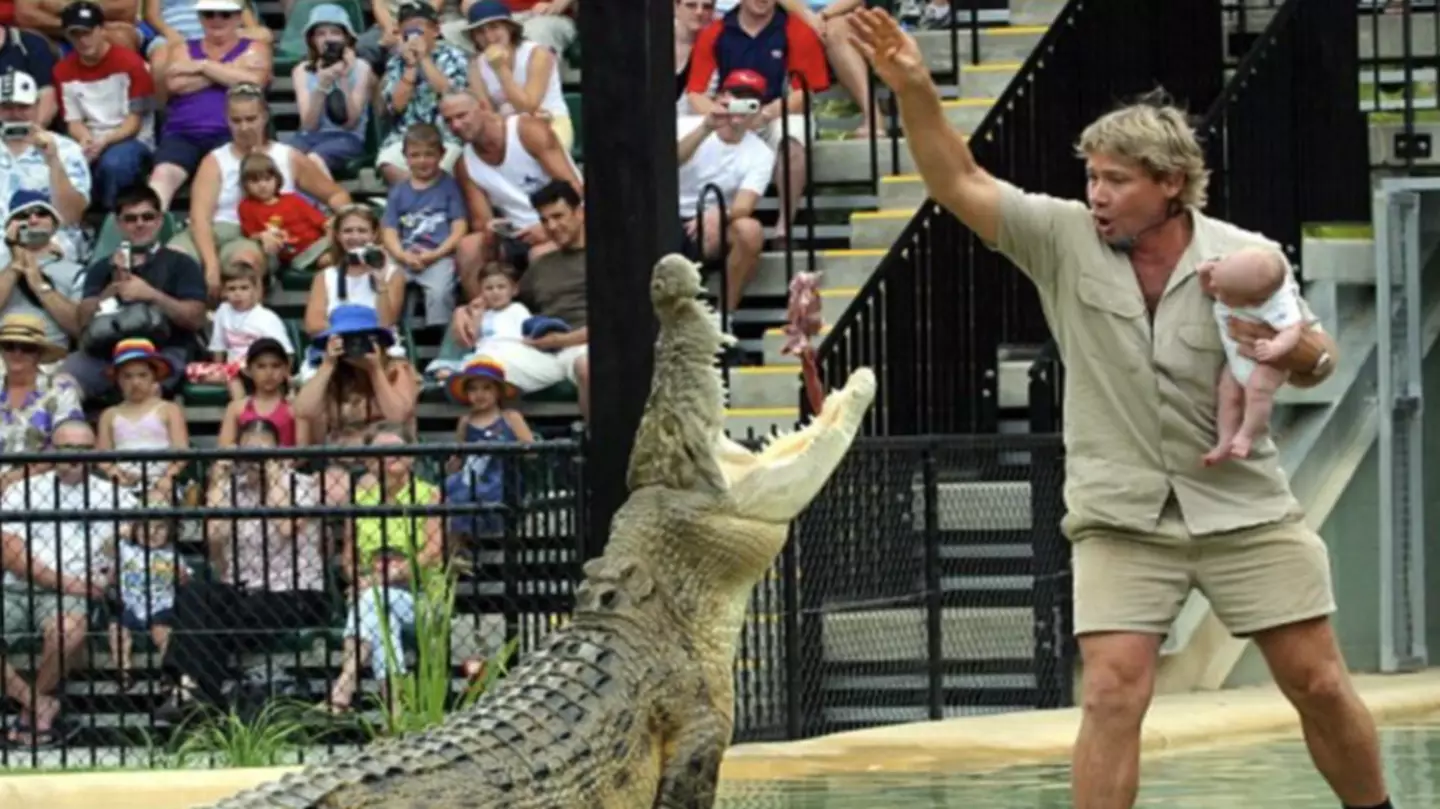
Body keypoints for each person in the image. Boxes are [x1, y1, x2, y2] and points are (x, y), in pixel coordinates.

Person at [850, 9, 1389, 809]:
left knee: (1317, 680)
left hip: (1243, 507)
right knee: (1110, 691)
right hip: (1120, 513)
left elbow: (1315, 356)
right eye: (1091, 177)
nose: (1095, 194)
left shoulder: (1239, 255)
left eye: (1114, 179)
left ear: (1170, 183)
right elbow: (956, 181)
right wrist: (916, 89)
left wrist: (1296, 354)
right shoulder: (1061, 238)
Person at [0, 419, 130, 745]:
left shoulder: (116, 497)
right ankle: (39, 704)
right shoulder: (23, 490)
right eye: (66, 448)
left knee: (68, 631)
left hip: (79, 591)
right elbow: (9, 550)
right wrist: (63, 582)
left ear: (95, 453)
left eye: (84, 450)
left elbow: (120, 553)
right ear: (51, 451)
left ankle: (31, 712)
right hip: (17, 586)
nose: (74, 456)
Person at [453, 180, 589, 416]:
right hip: (545, 350)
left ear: (579, 213)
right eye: (545, 220)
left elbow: (616, 325)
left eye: (558, 216)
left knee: (586, 367)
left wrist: (564, 339)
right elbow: (503, 295)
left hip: (585, 345)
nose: (552, 226)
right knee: (484, 370)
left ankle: (599, 446)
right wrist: (462, 311)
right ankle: (506, 444)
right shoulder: (542, 264)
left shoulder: (608, 257)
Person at [63, 186, 208, 399]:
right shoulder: (102, 267)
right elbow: (82, 321)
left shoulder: (181, 263)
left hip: (163, 351)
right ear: (119, 224)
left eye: (147, 217)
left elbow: (196, 319)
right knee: (64, 381)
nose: (140, 224)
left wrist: (150, 294)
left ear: (159, 221)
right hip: (106, 354)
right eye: (130, 219)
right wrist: (111, 290)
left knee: (143, 386)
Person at [438, 92, 582, 287]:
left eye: (462, 116)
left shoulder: (527, 130)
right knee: (468, 247)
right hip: (517, 235)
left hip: (561, 223)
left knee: (539, 254)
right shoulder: (463, 165)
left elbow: (573, 189)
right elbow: (482, 221)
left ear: (482, 106)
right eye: (448, 121)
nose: (455, 126)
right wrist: (491, 230)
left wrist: (547, 228)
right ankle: (484, 313)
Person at [146, 0, 273, 210]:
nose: (216, 19)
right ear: (200, 18)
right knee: (161, 178)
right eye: (209, 14)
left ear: (238, 17)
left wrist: (202, 66)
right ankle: (148, 234)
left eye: (225, 14)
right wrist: (232, 72)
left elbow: (255, 83)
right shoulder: (182, 47)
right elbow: (175, 84)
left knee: (232, 184)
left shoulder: (255, 47)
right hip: (182, 133)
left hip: (234, 133)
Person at [1197, 248, 1311, 466]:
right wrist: (1206, 274)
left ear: (1255, 303)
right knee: (1227, 394)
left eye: (1223, 294)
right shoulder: (1230, 277)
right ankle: (1225, 439)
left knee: (1258, 391)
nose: (1214, 291)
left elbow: (1292, 329)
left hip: (1266, 361)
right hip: (1238, 355)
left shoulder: (1277, 303)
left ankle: (1247, 434)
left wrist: (1276, 347)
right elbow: (1209, 287)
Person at [677, 69, 774, 314]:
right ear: (722, 99)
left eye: (749, 101)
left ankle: (723, 316)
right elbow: (668, 164)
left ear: (758, 109)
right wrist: (706, 127)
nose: (739, 109)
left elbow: (745, 204)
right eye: (735, 98)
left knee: (750, 230)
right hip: (667, 211)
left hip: (711, 224)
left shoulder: (761, 153)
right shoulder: (686, 125)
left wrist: (720, 213)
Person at [54, 1, 158, 210]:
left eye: (88, 32)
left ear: (102, 30)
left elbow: (134, 122)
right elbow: (73, 121)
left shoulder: (131, 64)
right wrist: (86, 139)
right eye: (75, 34)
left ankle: (112, 222)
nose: (83, 40)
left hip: (131, 139)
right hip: (92, 139)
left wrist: (103, 142)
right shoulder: (62, 71)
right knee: (63, 162)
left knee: (115, 163)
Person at [380, 124, 467, 330]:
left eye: (429, 154)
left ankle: (438, 335)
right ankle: (388, 329)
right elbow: (389, 230)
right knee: (385, 278)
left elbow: (459, 227)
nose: (422, 161)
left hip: (439, 254)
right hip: (406, 254)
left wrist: (437, 254)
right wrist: (401, 255)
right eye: (415, 155)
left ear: (442, 154)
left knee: (440, 291)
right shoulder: (399, 191)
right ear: (405, 157)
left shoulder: (450, 188)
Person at [375, 2, 469, 186]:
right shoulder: (397, 62)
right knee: (388, 163)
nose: (413, 34)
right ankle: (422, 200)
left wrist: (424, 59)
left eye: (419, 27)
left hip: (446, 134)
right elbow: (395, 106)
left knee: (450, 162)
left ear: (435, 30)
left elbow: (451, 95)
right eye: (408, 29)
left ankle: (424, 200)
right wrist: (410, 67)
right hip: (406, 135)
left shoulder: (453, 55)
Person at [463, 1, 573, 152]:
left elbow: (527, 107)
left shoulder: (538, 53)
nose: (488, 37)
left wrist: (500, 68)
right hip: (506, 128)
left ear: (509, 28)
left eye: (495, 27)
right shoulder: (476, 66)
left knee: (536, 147)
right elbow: (487, 112)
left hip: (550, 121)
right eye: (480, 32)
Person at [443, 356, 531, 540]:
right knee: (455, 492)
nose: (479, 394)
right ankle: (458, 550)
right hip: (471, 477)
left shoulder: (511, 417)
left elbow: (531, 450)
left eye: (487, 388)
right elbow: (458, 455)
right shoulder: (465, 421)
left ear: (498, 392)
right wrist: (452, 465)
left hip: (503, 479)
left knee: (484, 493)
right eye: (473, 389)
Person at [0, 71, 92, 245]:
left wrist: (53, 159)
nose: (15, 114)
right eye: (7, 107)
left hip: (53, 245)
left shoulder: (66, 149)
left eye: (23, 107)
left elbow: (71, 216)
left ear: (36, 106)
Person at [95, 338, 190, 503]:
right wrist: (115, 474)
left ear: (154, 377)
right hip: (122, 483)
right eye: (127, 376)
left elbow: (181, 452)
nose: (135, 382)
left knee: (155, 507)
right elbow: (102, 456)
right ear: (118, 379)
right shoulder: (109, 415)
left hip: (161, 481)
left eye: (142, 375)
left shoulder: (169, 409)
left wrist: (167, 478)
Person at [289, 3, 374, 177]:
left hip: (346, 138)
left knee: (314, 159)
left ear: (346, 38)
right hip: (308, 137)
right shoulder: (302, 70)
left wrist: (342, 78)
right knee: (283, 160)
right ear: (312, 40)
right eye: (321, 33)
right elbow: (308, 124)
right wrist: (322, 85)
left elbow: (350, 122)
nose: (328, 39)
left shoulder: (361, 68)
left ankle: (325, 203)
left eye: (335, 33)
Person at [186, 258, 292, 397]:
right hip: (232, 368)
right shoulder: (223, 311)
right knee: (190, 370)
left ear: (255, 290)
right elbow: (219, 346)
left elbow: (287, 352)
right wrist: (219, 369)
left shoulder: (266, 318)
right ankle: (233, 383)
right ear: (224, 292)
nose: (237, 293)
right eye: (232, 289)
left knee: (234, 377)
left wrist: (284, 377)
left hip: (257, 368)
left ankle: (240, 406)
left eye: (244, 288)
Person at [0, 191, 85, 346]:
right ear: (10, 226)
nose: (33, 220)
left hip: (53, 357)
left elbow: (79, 328)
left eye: (41, 213)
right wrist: (15, 266)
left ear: (54, 225)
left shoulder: (76, 271)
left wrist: (39, 285)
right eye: (23, 216)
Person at [235, 151, 330, 269]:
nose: (262, 185)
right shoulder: (246, 206)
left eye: (267, 179)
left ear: (277, 179)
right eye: (255, 181)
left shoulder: (292, 199)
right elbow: (251, 235)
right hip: (298, 255)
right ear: (245, 184)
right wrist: (263, 236)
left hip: (321, 243)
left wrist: (332, 227)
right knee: (327, 260)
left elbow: (322, 222)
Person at [216, 337, 305, 448]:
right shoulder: (236, 409)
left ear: (286, 369)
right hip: (244, 464)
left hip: (285, 465)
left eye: (275, 366)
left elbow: (302, 452)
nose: (269, 373)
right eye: (261, 366)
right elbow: (225, 447)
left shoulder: (295, 409)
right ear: (248, 370)